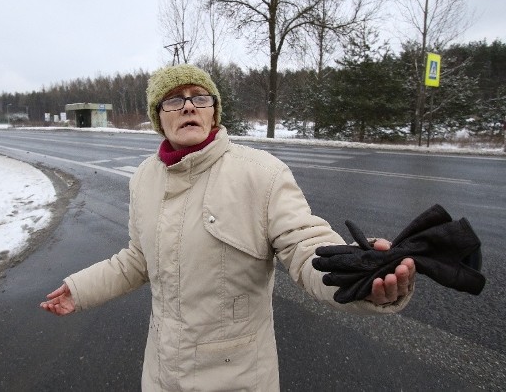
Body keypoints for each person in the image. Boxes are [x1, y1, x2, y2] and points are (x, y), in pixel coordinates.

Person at [40, 64, 416, 391]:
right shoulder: (144, 179)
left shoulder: (261, 174)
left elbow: (307, 247)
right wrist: (80, 289)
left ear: (214, 113)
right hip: (161, 373)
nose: (188, 105)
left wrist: (360, 279)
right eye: (174, 99)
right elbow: (138, 259)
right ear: (159, 117)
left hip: (237, 378)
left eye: (199, 97)